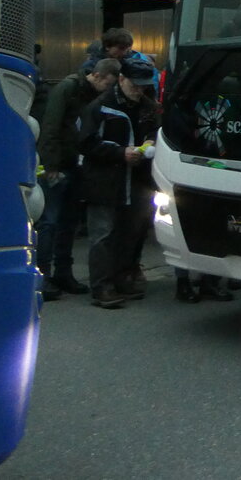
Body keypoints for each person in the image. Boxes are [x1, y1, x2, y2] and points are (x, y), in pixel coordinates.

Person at [34, 58, 122, 300]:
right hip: (60, 164)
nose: (108, 90)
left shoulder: (83, 91)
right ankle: (43, 276)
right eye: (109, 84)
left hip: (74, 164)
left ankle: (62, 273)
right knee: (50, 222)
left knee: (67, 223)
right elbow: (51, 126)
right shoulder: (68, 88)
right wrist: (50, 164)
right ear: (100, 77)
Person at [77, 58, 159, 308]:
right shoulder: (100, 107)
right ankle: (102, 286)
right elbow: (85, 143)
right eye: (135, 85)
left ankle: (122, 278)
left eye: (143, 86)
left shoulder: (148, 106)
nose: (139, 91)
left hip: (135, 181)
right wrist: (120, 153)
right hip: (105, 181)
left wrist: (151, 143)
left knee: (131, 232)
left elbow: (156, 131)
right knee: (103, 234)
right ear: (121, 79)